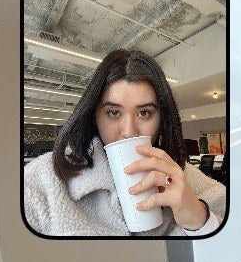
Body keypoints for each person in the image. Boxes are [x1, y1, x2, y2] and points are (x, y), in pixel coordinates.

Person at [22, 48, 228, 238]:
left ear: (162, 118)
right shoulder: (40, 184)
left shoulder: (188, 181)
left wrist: (200, 221)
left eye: (144, 113)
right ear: (95, 116)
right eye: (113, 113)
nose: (129, 131)